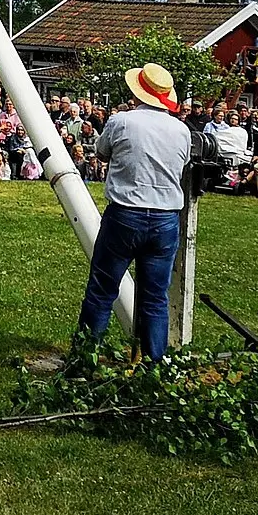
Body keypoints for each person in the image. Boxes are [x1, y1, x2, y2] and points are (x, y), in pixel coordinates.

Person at [74, 62, 191, 361]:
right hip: (166, 218)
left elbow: (101, 152)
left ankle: (85, 360)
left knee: (102, 290)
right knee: (155, 299)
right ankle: (154, 365)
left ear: (138, 92)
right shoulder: (181, 130)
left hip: (126, 214)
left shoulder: (122, 121)